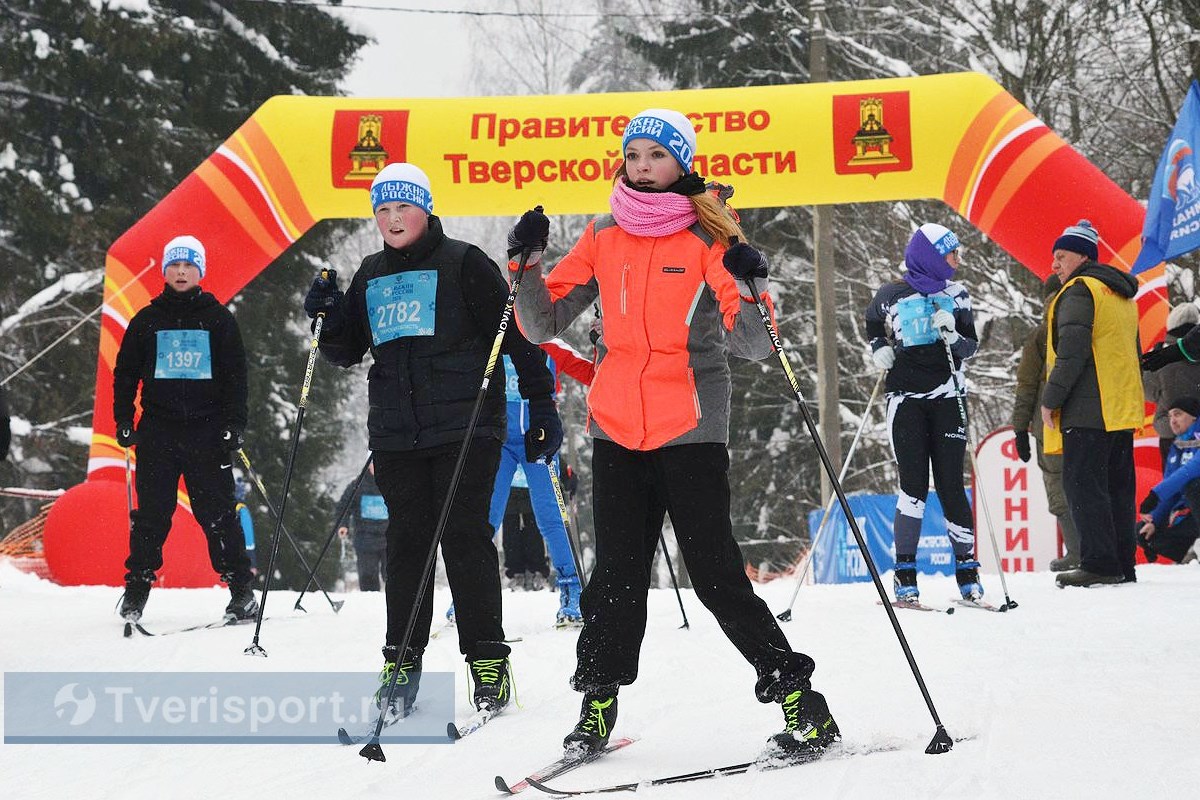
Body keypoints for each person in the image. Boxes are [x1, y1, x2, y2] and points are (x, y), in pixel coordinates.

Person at [510, 108, 838, 762]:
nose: (642, 166)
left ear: (681, 162)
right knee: (615, 578)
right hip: (616, 429)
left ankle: (802, 702)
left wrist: (751, 281)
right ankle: (597, 703)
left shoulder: (709, 236)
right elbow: (541, 325)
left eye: (656, 155)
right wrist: (526, 266)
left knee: (715, 575)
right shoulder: (603, 234)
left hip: (689, 426)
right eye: (633, 155)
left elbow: (753, 345)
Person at [303, 162, 560, 719]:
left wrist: (541, 403)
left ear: (426, 209)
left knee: (465, 538)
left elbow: (516, 338)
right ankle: (401, 663)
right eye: (383, 209)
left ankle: (487, 661)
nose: (393, 218)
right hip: (397, 435)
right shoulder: (371, 273)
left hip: (467, 427)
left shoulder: (464, 262)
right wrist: (324, 317)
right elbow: (347, 350)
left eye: (404, 207)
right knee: (407, 546)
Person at [112, 235, 256, 623]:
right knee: (151, 516)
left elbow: (236, 378)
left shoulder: (218, 319)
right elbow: (125, 374)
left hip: (206, 433)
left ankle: (241, 591)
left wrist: (234, 425)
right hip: (158, 432)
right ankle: (136, 589)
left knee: (218, 515)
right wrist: (123, 419)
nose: (180, 272)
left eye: (188, 265)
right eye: (174, 265)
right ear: (164, 271)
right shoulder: (147, 320)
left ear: (200, 271)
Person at [864, 223, 982, 603]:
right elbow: (872, 321)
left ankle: (968, 573)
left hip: (948, 397)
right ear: (931, 256)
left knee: (951, 484)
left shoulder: (957, 295)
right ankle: (905, 576)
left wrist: (955, 337)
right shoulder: (892, 294)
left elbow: (970, 347)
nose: (957, 259)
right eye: (951, 253)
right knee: (913, 485)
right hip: (905, 399)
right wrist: (879, 346)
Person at [1041, 220, 1143, 588]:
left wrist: (1050, 399)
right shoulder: (1119, 294)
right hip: (1119, 407)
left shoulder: (1080, 290)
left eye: (1061, 256)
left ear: (1083, 256)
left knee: (1083, 485)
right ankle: (1122, 563)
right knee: (1117, 489)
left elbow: (1072, 353)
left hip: (1088, 407)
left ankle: (1099, 563)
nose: (1055, 264)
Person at [1010, 274, 1080, 571]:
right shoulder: (1090, 324)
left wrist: (1019, 428)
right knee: (1090, 483)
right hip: (1089, 420)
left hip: (1050, 424)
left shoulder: (1041, 335)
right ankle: (1101, 550)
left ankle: (1076, 551)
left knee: (1057, 483)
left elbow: (1027, 384)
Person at [1137, 397, 1200, 563]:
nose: (1173, 421)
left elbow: (1191, 470)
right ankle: (1191, 556)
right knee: (1143, 531)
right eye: (1170, 416)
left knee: (1194, 486)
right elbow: (1172, 492)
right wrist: (1155, 521)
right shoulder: (1178, 445)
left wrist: (1155, 494)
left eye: (1178, 414)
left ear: (1194, 417)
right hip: (1189, 513)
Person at [1141, 303, 1200, 466]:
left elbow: (1147, 393)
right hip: (1198, 430)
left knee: (1173, 478)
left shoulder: (1162, 358)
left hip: (1171, 432)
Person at [336, 461, 388, 592]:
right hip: (365, 539)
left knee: (394, 575)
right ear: (368, 465)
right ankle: (370, 600)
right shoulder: (357, 485)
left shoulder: (392, 481)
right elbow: (343, 506)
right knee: (368, 576)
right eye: (373, 463)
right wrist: (343, 525)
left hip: (389, 538)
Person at [500, 485, 549, 590]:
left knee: (531, 531)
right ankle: (518, 571)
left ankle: (533, 571)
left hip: (527, 490)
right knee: (513, 531)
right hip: (516, 491)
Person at [233, 473, 256, 570]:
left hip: (243, 547)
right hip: (243, 546)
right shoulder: (242, 509)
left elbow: (247, 533)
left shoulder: (241, 510)